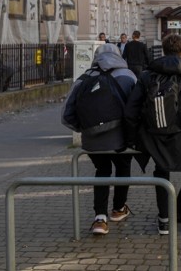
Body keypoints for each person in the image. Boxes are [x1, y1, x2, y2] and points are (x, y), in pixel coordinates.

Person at [124, 34, 181, 235]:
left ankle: (164, 221)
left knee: (161, 171)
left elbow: (131, 110)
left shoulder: (148, 74)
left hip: (154, 133)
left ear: (164, 50)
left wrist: (134, 139)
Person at [62, 43, 137, 235]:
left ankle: (100, 218)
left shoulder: (84, 79)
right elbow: (137, 109)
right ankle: (119, 209)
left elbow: (66, 116)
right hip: (121, 139)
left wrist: (86, 129)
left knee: (102, 170)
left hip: (92, 140)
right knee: (123, 167)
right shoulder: (128, 76)